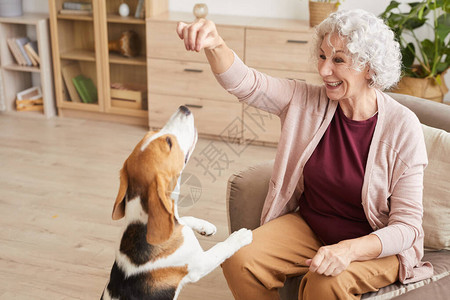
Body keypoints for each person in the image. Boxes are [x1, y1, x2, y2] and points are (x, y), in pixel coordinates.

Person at [176, 9, 433, 300]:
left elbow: (407, 226)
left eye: (338, 60)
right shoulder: (306, 101)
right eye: (322, 56)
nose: (324, 70)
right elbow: (247, 83)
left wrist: (348, 250)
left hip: (376, 244)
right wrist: (216, 44)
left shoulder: (403, 127)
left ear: (369, 68)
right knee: (240, 258)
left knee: (325, 283)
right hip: (313, 226)